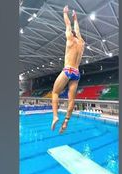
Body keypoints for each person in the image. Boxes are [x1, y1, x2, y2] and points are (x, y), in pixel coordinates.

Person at [51, 5, 85, 133]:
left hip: (68, 69)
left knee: (55, 92)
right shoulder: (81, 43)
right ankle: (65, 122)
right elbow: (77, 28)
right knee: (72, 99)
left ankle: (55, 116)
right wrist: (76, 18)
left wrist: (65, 13)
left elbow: (67, 24)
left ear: (71, 34)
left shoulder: (70, 39)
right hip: (76, 72)